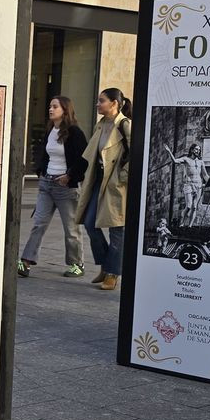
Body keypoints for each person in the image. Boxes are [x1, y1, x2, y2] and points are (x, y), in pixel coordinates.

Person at [19, 96, 88, 277]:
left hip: (66, 188)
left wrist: (70, 176)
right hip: (46, 184)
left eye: (55, 106)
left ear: (64, 110)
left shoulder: (74, 133)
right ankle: (26, 261)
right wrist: (41, 171)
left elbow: (84, 159)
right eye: (49, 106)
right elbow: (45, 154)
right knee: (38, 223)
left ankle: (77, 264)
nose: (50, 109)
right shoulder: (51, 130)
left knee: (71, 228)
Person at [75, 88, 133, 291]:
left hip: (117, 183)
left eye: (102, 101)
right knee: (90, 224)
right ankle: (105, 265)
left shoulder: (124, 124)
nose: (98, 104)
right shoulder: (101, 125)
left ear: (114, 103)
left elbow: (136, 152)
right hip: (98, 179)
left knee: (117, 229)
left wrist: (123, 177)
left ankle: (112, 273)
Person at [164, 141, 208, 227]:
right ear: (192, 150)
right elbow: (175, 161)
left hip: (198, 185)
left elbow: (205, 175)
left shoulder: (201, 162)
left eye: (199, 150)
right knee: (188, 206)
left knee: (194, 207)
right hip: (189, 185)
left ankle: (190, 226)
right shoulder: (186, 159)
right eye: (196, 149)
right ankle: (182, 222)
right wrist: (169, 151)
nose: (197, 151)